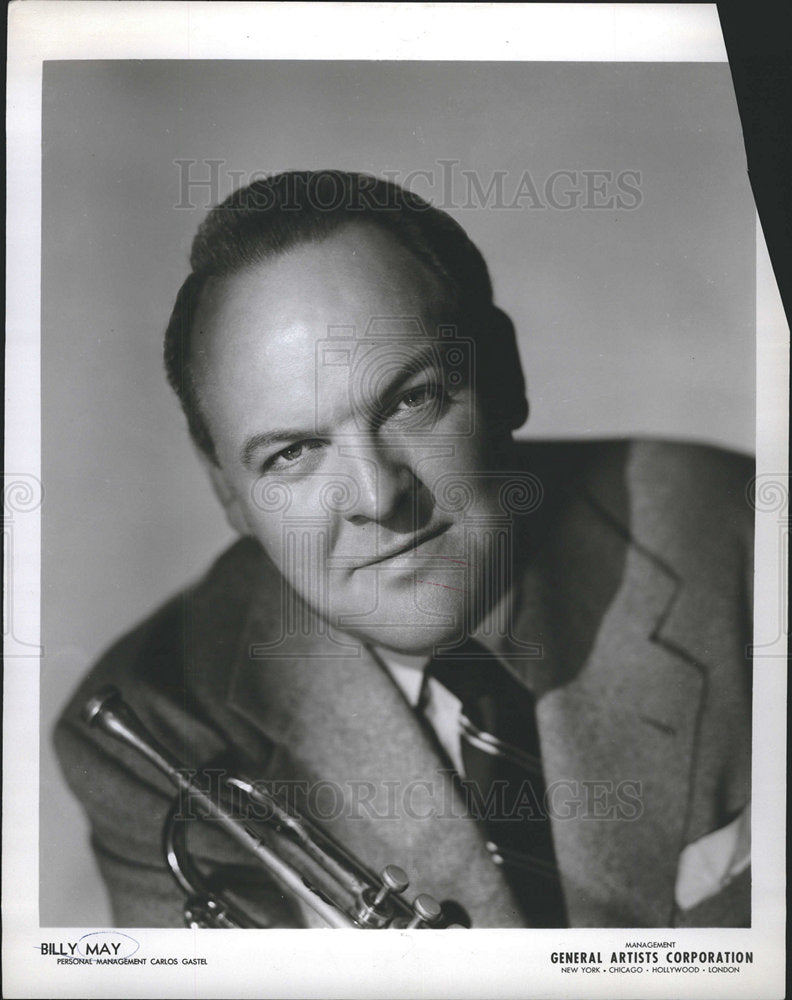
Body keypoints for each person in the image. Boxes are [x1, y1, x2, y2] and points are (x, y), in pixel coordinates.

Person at [55, 170, 753, 929]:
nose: (379, 497)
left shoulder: (739, 539)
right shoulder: (154, 732)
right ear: (227, 491)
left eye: (411, 400)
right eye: (291, 453)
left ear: (504, 373)